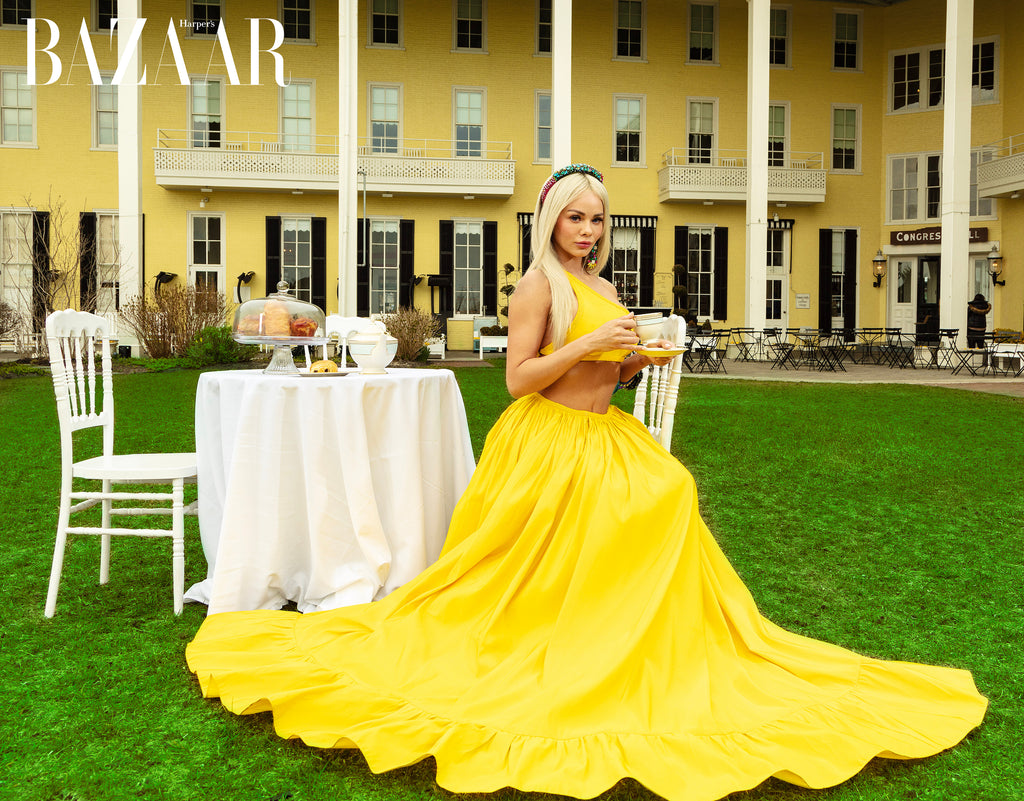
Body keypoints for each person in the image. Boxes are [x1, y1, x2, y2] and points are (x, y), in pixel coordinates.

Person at [186, 165, 986, 801]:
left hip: (608, 434)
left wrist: (631, 356)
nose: (591, 230)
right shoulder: (539, 285)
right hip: (550, 444)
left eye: (599, 219)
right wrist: (591, 344)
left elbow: (605, 365)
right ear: (551, 222)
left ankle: (634, 640)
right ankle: (567, 648)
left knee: (669, 494)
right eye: (577, 217)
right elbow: (519, 378)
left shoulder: (603, 288)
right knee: (578, 548)